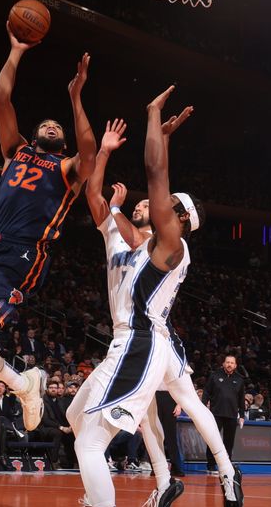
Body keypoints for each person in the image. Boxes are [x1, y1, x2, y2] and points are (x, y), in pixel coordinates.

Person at [0, 21, 97, 482]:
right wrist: (15, 51)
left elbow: (89, 150)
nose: (50, 124)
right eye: (44, 122)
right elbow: (0, 100)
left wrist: (76, 96)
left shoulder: (67, 168)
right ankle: (24, 382)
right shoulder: (16, 152)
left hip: (24, 255)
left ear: (61, 140)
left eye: (57, 125)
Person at [67, 85, 237, 507]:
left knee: (101, 439)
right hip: (128, 340)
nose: (152, 205)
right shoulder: (136, 239)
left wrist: (154, 126)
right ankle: (161, 481)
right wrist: (111, 155)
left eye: (161, 206)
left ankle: (218, 473)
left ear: (178, 219)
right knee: (76, 419)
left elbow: (157, 177)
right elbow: (100, 199)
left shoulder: (171, 247)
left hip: (146, 339)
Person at [202, 355, 246, 462]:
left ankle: (227, 463)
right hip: (216, 413)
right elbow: (206, 392)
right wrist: (202, 408)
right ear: (223, 364)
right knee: (212, 440)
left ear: (235, 365)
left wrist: (242, 415)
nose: (229, 364)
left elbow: (241, 398)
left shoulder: (240, 379)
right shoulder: (214, 375)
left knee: (229, 441)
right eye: (227, 362)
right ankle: (211, 464)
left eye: (232, 363)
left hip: (232, 414)